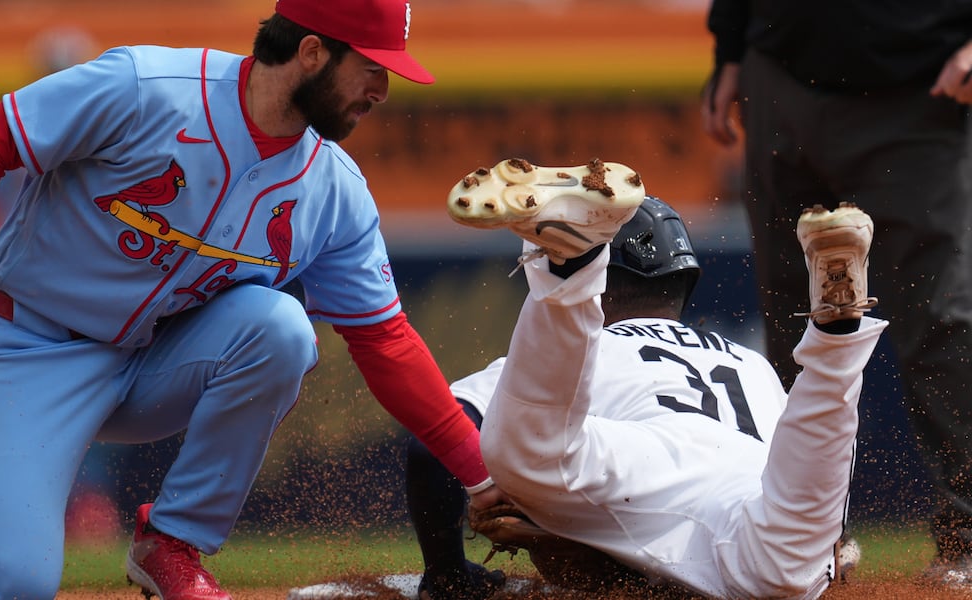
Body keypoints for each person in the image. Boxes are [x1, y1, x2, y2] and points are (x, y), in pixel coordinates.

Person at [0, 1, 500, 598]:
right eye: (372, 68)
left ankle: (172, 543)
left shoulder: (333, 190)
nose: (382, 90)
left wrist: (483, 475)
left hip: (155, 360)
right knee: (10, 583)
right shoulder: (149, 87)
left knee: (283, 329)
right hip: (33, 347)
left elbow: (384, 339)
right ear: (312, 52)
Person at [403, 157, 885, 599]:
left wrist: (451, 570)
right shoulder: (750, 363)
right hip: (757, 504)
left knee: (529, 451)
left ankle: (571, 272)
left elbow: (432, 447)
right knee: (790, 554)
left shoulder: (606, 350)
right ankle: (835, 338)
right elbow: (810, 480)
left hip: (638, 458)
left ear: (610, 283)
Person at [699, 1, 972, 588]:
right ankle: (804, 540)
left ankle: (967, 541)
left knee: (944, 319)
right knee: (795, 323)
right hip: (780, 69)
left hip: (920, 88)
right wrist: (730, 49)